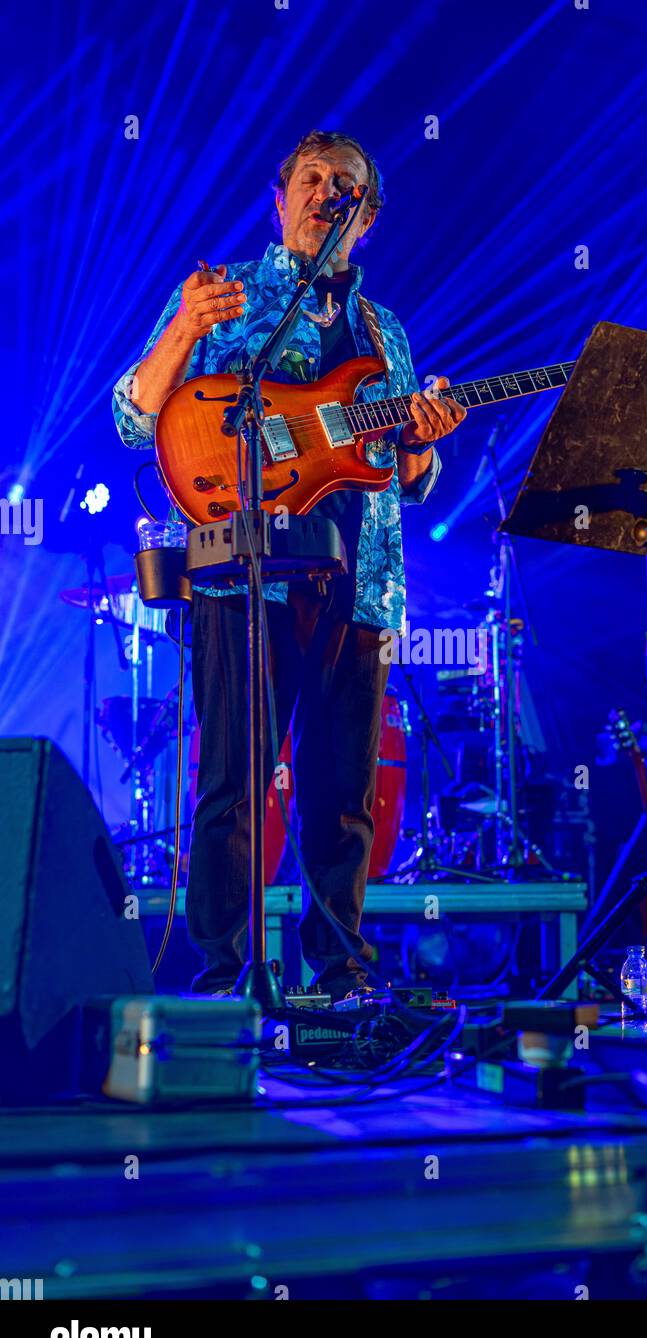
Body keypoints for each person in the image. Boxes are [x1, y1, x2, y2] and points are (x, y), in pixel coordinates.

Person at [112, 130, 466, 999]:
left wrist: (422, 446)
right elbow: (132, 416)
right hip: (246, 572)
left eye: (344, 183)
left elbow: (406, 479)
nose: (324, 193)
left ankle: (342, 976)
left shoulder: (386, 332)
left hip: (361, 580)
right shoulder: (224, 298)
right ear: (281, 200)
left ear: (366, 217)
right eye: (309, 179)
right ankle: (224, 975)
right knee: (230, 788)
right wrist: (184, 333)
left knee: (342, 794)